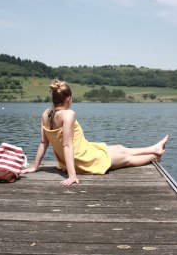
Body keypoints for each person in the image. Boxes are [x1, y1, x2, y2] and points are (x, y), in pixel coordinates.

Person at [21, 79, 168, 186]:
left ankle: (154, 149)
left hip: (83, 152)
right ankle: (154, 157)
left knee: (120, 148)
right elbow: (67, 146)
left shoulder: (45, 114)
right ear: (68, 99)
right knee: (126, 159)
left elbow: (43, 142)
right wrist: (72, 175)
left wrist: (35, 166)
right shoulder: (68, 115)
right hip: (83, 159)